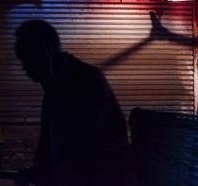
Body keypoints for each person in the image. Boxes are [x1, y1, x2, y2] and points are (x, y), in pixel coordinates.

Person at [14, 20, 133, 186]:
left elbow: (83, 150)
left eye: (26, 58)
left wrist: (45, 175)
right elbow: (52, 148)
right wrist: (38, 172)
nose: (24, 67)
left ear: (43, 52)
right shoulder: (55, 84)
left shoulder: (85, 82)